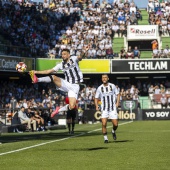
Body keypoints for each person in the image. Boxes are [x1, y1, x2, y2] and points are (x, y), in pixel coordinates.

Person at [29, 47, 89, 118]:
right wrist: (36, 72)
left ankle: (58, 110)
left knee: (72, 106)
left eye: (64, 54)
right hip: (67, 83)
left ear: (69, 55)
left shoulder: (73, 58)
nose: (63, 56)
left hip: (75, 86)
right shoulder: (61, 64)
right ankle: (37, 80)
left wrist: (84, 50)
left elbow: (80, 57)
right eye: (62, 54)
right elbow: (48, 71)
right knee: (53, 77)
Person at [94, 74, 120, 143]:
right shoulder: (99, 88)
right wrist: (96, 106)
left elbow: (118, 94)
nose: (104, 79)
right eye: (103, 78)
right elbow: (96, 98)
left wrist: (117, 103)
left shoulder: (112, 86)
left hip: (112, 108)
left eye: (105, 77)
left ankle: (113, 131)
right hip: (104, 109)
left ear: (108, 78)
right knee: (104, 123)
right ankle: (105, 138)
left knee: (115, 124)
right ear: (102, 79)